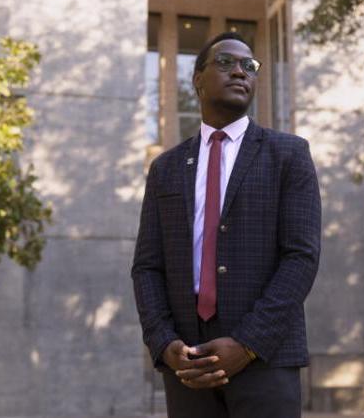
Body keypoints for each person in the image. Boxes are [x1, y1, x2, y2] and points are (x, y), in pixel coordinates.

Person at [131, 32, 321, 418]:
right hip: (187, 363)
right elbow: (147, 266)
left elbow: (301, 258)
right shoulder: (165, 168)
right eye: (225, 63)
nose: (240, 71)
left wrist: (248, 343)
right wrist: (163, 342)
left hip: (265, 359)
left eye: (249, 66)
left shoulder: (289, 154)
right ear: (197, 79)